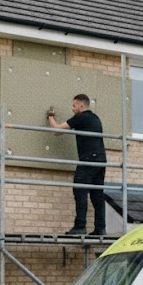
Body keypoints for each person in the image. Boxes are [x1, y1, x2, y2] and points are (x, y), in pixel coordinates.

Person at [47, 94, 106, 236]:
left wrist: (50, 116)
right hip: (101, 160)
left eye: (74, 106)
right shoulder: (95, 118)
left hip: (88, 160)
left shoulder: (81, 117)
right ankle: (100, 229)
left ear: (81, 105)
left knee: (80, 190)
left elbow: (57, 130)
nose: (72, 108)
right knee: (97, 194)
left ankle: (80, 227)